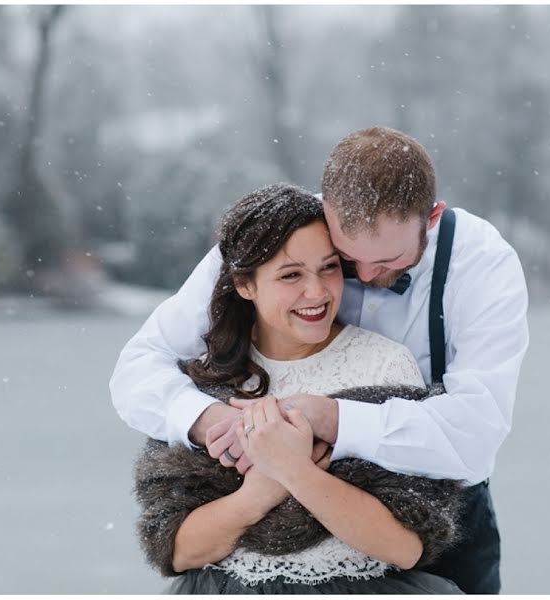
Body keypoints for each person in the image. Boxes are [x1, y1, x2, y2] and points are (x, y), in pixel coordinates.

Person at [111, 126, 530, 593]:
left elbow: (475, 434)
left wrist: (328, 421)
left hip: (437, 506)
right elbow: (139, 366)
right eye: (346, 261)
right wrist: (211, 420)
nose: (367, 277)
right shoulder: (281, 234)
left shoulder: (483, 264)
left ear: (431, 217)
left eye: (389, 261)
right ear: (327, 208)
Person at [134, 183, 464, 593]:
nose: (317, 292)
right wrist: (259, 492)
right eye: (291, 275)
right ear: (245, 285)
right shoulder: (204, 384)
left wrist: (295, 471)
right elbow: (176, 550)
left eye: (329, 268)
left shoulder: (383, 365)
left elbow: (405, 545)